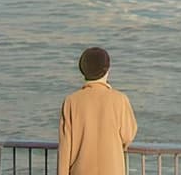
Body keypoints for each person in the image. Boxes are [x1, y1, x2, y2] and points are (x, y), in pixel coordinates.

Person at [57, 46, 137, 175]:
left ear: (83, 70)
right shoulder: (120, 99)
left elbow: (65, 150)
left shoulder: (71, 101)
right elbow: (128, 135)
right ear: (107, 70)